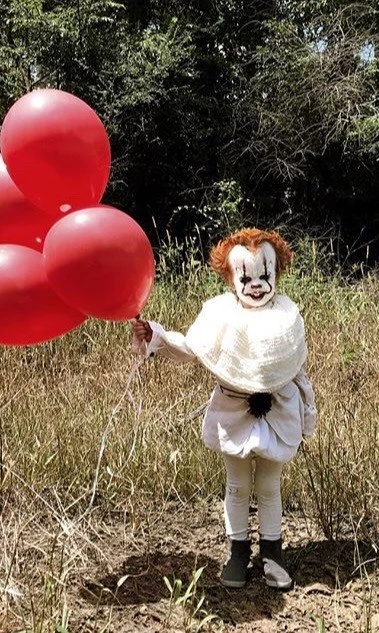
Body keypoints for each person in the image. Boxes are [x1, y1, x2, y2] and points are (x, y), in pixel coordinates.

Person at [131, 228, 317, 589]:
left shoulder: (288, 316)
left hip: (278, 408)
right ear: (230, 278)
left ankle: (272, 554)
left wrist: (307, 412)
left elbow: (297, 369)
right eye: (246, 278)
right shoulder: (219, 314)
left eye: (265, 275)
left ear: (277, 272)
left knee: (269, 484)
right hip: (234, 409)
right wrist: (156, 336)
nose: (256, 285)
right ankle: (237, 552)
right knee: (237, 484)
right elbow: (191, 348)